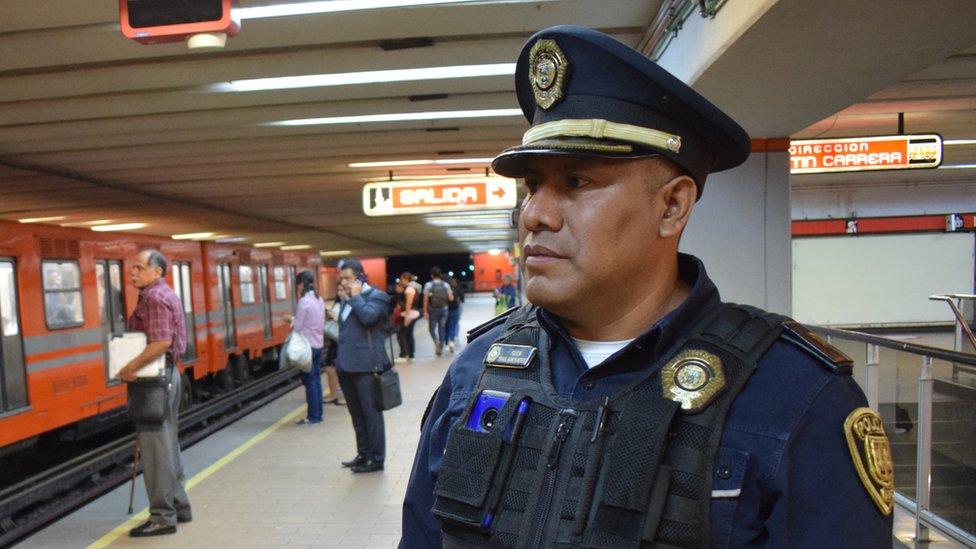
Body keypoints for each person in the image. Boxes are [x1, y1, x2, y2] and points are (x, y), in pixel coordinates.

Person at [400, 26, 893, 548]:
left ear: (672, 206)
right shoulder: (477, 372)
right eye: (533, 186)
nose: (535, 214)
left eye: (577, 182)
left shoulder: (793, 397)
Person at [119, 249, 192, 537]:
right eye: (132, 268)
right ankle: (178, 505)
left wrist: (130, 367)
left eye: (139, 267)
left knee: (155, 447)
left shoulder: (154, 298)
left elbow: (161, 341)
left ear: (157, 271)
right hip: (166, 376)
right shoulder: (164, 294)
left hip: (154, 378)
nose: (133, 272)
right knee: (167, 442)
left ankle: (162, 516)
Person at [336, 258, 391, 473]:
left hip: (367, 366)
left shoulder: (378, 297)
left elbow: (368, 318)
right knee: (357, 414)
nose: (343, 282)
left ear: (359, 277)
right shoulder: (347, 299)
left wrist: (356, 297)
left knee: (371, 414)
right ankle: (363, 453)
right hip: (346, 365)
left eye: (347, 278)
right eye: (342, 278)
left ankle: (376, 458)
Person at [291, 270, 325, 425]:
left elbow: (298, 326)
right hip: (318, 344)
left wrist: (290, 320)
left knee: (309, 381)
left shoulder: (304, 301)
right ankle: (318, 414)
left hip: (307, 347)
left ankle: (313, 416)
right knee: (316, 380)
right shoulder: (319, 299)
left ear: (300, 284)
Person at [423, 267, 453, 356]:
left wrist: (425, 311)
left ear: (432, 275)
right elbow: (451, 298)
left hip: (433, 310)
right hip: (444, 309)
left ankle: (436, 342)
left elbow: (425, 300)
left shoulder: (428, 285)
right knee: (442, 329)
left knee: (431, 329)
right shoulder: (445, 285)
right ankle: (441, 347)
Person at [397, 272, 422, 361]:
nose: (400, 281)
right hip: (413, 313)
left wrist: (407, 316)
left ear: (406, 279)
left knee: (402, 334)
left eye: (402, 279)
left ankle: (404, 355)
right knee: (409, 334)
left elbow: (409, 303)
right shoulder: (412, 288)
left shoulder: (409, 289)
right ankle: (411, 355)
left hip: (409, 314)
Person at [444, 275, 464, 352]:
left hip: (445, 309)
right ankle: (452, 341)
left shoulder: (444, 288)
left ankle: (446, 343)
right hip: (455, 309)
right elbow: (461, 296)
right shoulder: (455, 287)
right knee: (453, 325)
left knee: (446, 327)